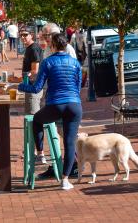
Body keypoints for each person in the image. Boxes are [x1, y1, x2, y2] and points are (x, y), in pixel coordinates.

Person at [19, 32, 82, 191]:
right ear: (66, 45)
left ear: (53, 46)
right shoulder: (75, 63)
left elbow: (36, 88)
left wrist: (20, 86)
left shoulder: (48, 62)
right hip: (74, 105)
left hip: (56, 105)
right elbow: (79, 86)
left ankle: (40, 153)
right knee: (69, 143)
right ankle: (65, 180)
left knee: (37, 120)